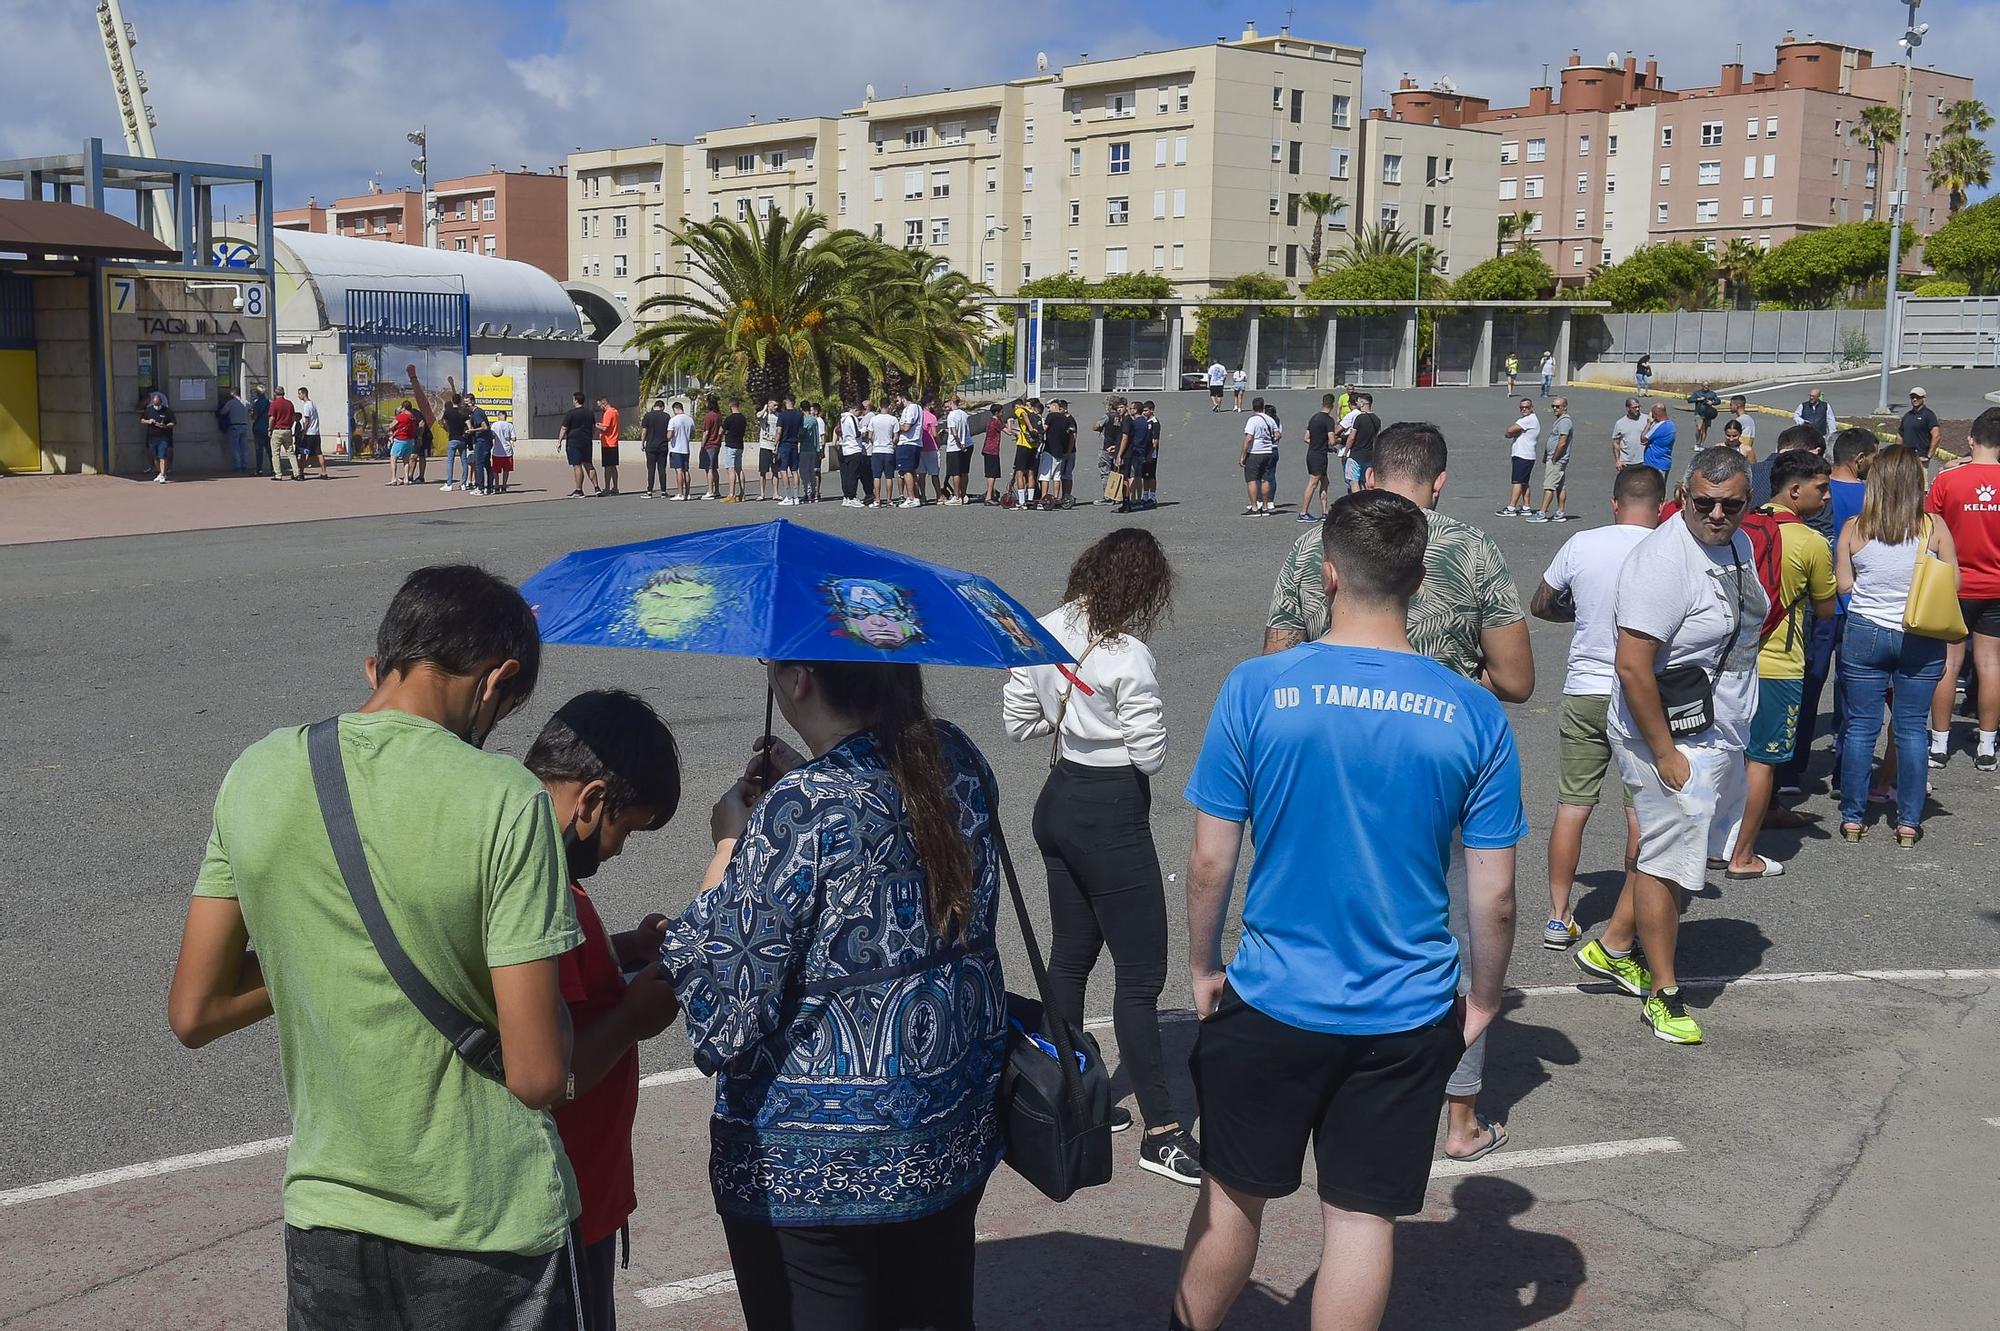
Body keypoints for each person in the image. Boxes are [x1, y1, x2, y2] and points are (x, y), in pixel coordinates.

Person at [168, 565, 585, 1330]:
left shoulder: (256, 771)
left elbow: (196, 1008)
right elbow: (535, 1074)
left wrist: (320, 939)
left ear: (383, 662)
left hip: (329, 1215)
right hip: (488, 1219)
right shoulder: (504, 797)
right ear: (501, 678)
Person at [1175, 489, 1525, 1331]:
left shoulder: (1257, 687)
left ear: (1328, 574)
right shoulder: (1474, 711)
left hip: (1271, 992)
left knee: (1233, 1201)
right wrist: (1482, 997)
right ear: (1417, 580)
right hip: (1403, 1008)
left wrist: (1201, 965)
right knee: (1361, 1220)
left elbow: (1209, 858)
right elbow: (1496, 893)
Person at [658, 660, 1008, 1331]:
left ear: (800, 680)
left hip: (810, 1167)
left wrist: (728, 847)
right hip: (946, 1125)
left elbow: (728, 1007)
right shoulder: (955, 755)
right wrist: (809, 781)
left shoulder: (802, 809)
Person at [1263, 422, 1532, 1160]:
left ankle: (1317, 1074)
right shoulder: (1473, 549)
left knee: (1320, 916)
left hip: (1323, 767)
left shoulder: (1314, 545)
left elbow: (1276, 657)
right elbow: (1516, 678)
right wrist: (1448, 684)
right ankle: (1459, 1117)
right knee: (1459, 926)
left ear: (1369, 473)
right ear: (1437, 481)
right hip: (1436, 767)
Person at [1002, 529, 1198, 1184]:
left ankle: (1074, 1092)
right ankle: (1163, 1130)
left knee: (1071, 955)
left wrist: (1070, 707)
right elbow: (1150, 755)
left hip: (1057, 800)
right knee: (1140, 976)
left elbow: (1020, 720)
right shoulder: (1128, 652)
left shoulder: (1044, 626)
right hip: (1110, 809)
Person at [1574, 447, 1768, 1047]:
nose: (1716, 514)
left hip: (1710, 724)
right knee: (1671, 864)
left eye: (1731, 504)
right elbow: (1633, 669)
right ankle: (1663, 991)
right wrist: (1666, 755)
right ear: (1681, 496)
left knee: (1674, 849)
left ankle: (1610, 948)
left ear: (1747, 502)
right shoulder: (1663, 561)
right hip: (1659, 733)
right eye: (1703, 502)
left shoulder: (1736, 544)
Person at [524, 691, 684, 1331]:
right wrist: (631, 1020)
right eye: (626, 829)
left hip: (580, 1195)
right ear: (590, 800)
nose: (617, 849)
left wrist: (621, 949)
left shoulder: (526, 870)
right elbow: (553, 1073)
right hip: (565, 1203)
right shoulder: (544, 893)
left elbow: (563, 974)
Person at [1530, 464, 1663, 950]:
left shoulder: (1582, 543)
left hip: (1585, 687)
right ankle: (1630, 913)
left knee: (1572, 806)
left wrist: (1581, 614)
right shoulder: (1667, 546)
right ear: (1661, 504)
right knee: (1640, 811)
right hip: (1642, 692)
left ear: (1614, 502)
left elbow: (1541, 603)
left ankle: (1558, 915)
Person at [1721, 450, 1837, 880]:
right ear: (1794, 490)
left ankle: (1715, 844)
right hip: (1778, 664)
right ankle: (1744, 854)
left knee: (1723, 756)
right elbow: (1826, 610)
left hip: (1729, 662)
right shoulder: (1810, 542)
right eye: (1820, 488)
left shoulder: (1741, 528)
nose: (1826, 497)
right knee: (1762, 762)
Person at [1837, 446, 1959, 846]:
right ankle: (1907, 821)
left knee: (1860, 727)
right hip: (1920, 634)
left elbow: (1844, 586)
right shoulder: (1933, 527)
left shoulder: (1855, 528)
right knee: (1910, 728)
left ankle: (1853, 818)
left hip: (1865, 630)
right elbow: (1953, 584)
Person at [1928, 408, 2000, 772]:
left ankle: (1939, 743)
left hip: (1953, 585)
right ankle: (1987, 745)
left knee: (1949, 663)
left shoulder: (1948, 480)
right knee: (1990, 663)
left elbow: (1928, 532)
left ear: (1971, 439)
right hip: (1997, 587)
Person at [1528, 395, 1575, 523]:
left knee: (1549, 486)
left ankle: (1542, 513)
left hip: (1558, 459)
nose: (1554, 408)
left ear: (1565, 407)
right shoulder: (1560, 420)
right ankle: (1560, 512)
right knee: (1560, 486)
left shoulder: (1565, 422)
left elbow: (1562, 442)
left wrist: (1554, 458)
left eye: (1557, 406)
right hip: (1556, 458)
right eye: (1553, 406)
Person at [1499, 397, 1540, 516]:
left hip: (1523, 455)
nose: (1524, 409)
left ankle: (1511, 507)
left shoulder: (1529, 420)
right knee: (1524, 482)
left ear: (1532, 408)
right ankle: (1526, 507)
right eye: (1522, 408)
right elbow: (1511, 432)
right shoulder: (1528, 420)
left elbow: (1510, 430)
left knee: (1517, 481)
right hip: (1527, 455)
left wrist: (1510, 433)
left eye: (1527, 407)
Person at [1239, 397, 1280, 516]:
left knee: (1251, 480)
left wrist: (1243, 454)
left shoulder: (1253, 420)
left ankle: (1254, 507)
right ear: (1263, 406)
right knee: (1265, 479)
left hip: (1255, 452)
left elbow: (1249, 438)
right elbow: (1277, 434)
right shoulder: (1269, 419)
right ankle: (1266, 506)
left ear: (1253, 407)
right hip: (1268, 451)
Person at [1300, 393, 1337, 522]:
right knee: (1313, 483)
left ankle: (1324, 512)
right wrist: (1338, 441)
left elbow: (1306, 438)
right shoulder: (1328, 420)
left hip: (1312, 453)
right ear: (1332, 405)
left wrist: (1319, 442)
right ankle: (1303, 512)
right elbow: (1332, 440)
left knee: (1325, 482)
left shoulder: (1314, 418)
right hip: (1319, 456)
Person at [562, 392, 601, 498]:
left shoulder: (571, 413)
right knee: (588, 464)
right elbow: (593, 427)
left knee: (577, 465)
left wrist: (559, 441)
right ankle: (597, 488)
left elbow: (564, 427)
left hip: (574, 442)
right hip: (587, 441)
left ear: (576, 400)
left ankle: (579, 490)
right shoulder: (589, 412)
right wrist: (590, 437)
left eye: (573, 399)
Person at [1008, 396, 1043, 510]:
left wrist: (1030, 428)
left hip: (1023, 444)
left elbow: (1023, 415)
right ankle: (1031, 500)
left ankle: (1022, 502)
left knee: (1020, 472)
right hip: (1033, 445)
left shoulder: (1020, 410)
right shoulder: (1034, 412)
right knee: (1031, 472)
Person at [1343, 392, 1380, 499]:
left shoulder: (1359, 418)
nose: (1357, 403)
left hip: (1356, 454)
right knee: (1366, 482)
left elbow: (1351, 437)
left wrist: (1346, 451)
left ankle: (1357, 505)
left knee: (1354, 482)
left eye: (1358, 401)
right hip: (1369, 455)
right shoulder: (1376, 419)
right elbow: (1376, 438)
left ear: (1363, 403)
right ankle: (1370, 503)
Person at [1043, 397, 1078, 509]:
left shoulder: (1069, 419)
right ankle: (1061, 497)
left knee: (1065, 475)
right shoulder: (1063, 418)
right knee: (1059, 475)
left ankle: (1066, 496)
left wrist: (1068, 451)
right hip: (1063, 450)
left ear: (1063, 408)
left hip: (1068, 451)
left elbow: (1073, 437)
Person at [836, 400, 871, 506]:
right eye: (859, 412)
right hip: (853, 449)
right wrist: (864, 430)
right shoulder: (852, 418)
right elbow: (856, 434)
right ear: (856, 410)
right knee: (853, 474)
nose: (859, 415)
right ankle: (852, 497)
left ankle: (846, 496)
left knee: (845, 475)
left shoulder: (842, 418)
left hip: (844, 447)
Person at [1899, 386, 1940, 472]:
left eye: (1917, 397)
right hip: (1906, 458)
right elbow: (1900, 435)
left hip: (1921, 458)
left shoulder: (1929, 415)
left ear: (1923, 399)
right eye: (1912, 397)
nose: (1914, 399)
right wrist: (1898, 454)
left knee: (1920, 484)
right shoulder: (1907, 416)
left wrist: (1929, 456)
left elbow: (1936, 436)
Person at [868, 398, 899, 508]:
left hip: (877, 450)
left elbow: (870, 436)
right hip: (889, 450)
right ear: (889, 406)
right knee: (889, 476)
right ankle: (889, 500)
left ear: (880, 406)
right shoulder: (893, 420)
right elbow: (895, 437)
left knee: (876, 476)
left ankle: (877, 500)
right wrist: (891, 443)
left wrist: (875, 442)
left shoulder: (874, 419)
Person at [776, 395, 805, 506]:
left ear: (786, 401)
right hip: (794, 444)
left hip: (784, 444)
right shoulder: (799, 415)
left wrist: (775, 444)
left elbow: (779, 431)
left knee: (783, 470)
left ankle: (788, 497)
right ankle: (796, 497)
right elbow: (801, 431)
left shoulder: (782, 415)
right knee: (794, 471)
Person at [640, 398, 672, 497]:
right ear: (662, 407)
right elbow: (669, 431)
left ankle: (649, 491)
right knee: (662, 469)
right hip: (663, 445)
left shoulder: (648, 416)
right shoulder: (667, 416)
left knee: (651, 469)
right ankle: (663, 491)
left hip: (650, 445)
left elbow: (644, 431)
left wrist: (642, 443)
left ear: (654, 406)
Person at [719, 397, 749, 502]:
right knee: (739, 469)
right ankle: (742, 493)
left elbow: (720, 431)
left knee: (730, 469)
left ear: (730, 405)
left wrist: (725, 433)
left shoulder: (729, 419)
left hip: (730, 445)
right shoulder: (743, 418)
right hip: (740, 445)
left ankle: (731, 494)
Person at [942, 394, 971, 504]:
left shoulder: (951, 416)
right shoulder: (964, 414)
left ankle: (957, 496)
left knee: (955, 472)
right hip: (968, 444)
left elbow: (955, 432)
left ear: (951, 403)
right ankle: (963, 495)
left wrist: (960, 443)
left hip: (955, 447)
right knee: (964, 471)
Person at [440, 393, 472, 491]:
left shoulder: (448, 412)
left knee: (450, 461)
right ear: (460, 401)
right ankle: (463, 483)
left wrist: (448, 429)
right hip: (462, 439)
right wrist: (466, 432)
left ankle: (449, 484)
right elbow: (469, 426)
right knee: (464, 462)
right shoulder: (464, 412)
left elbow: (443, 423)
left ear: (452, 401)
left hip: (452, 438)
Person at [294, 387, 328, 481]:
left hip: (309, 433)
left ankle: (300, 473)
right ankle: (324, 472)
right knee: (319, 452)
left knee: (303, 453)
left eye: (299, 394)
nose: (298, 396)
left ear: (304, 394)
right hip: (316, 432)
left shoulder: (306, 405)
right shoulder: (313, 404)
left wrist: (303, 432)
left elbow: (307, 420)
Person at [667, 399, 695, 500]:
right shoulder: (690, 419)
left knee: (679, 470)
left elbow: (669, 436)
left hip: (676, 448)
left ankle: (680, 493)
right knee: (686, 470)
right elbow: (692, 435)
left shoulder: (673, 420)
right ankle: (687, 493)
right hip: (686, 448)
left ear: (675, 409)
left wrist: (668, 436)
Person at [267, 387, 297, 482]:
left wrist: (270, 429)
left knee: (275, 454)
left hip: (277, 429)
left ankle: (278, 475)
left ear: (275, 394)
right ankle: (296, 473)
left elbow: (272, 418)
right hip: (287, 429)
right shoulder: (289, 403)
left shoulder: (274, 404)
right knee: (291, 453)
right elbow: (293, 417)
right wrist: (290, 426)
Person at [1640, 401, 1678, 476]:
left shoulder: (1659, 426)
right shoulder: (1671, 425)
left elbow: (1643, 439)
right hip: (1664, 462)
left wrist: (1649, 423)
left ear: (1654, 415)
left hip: (1654, 465)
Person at [219, 386, 252, 473]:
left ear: (233, 393)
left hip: (234, 426)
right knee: (244, 448)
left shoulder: (231, 403)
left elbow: (223, 412)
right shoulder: (246, 402)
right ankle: (245, 465)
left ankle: (238, 466)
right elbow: (251, 412)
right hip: (244, 426)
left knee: (235, 448)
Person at [386, 399, 418, 485]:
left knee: (393, 458)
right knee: (406, 460)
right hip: (409, 440)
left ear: (404, 408)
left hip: (400, 439)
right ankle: (406, 478)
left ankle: (393, 478)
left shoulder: (401, 416)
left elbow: (391, 425)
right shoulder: (413, 417)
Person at [1611, 397, 1648, 471]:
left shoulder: (1647, 419)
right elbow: (1616, 443)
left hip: (1644, 461)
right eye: (1634, 407)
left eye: (1638, 407)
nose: (1637, 409)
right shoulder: (1620, 423)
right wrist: (1618, 461)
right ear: (1628, 408)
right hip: (1626, 463)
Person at [464, 399, 492, 495]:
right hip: (485, 441)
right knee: (487, 464)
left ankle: (480, 488)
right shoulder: (477, 413)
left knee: (478, 464)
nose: (466, 408)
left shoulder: (477, 413)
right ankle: (489, 487)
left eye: (466, 405)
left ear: (471, 404)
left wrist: (472, 430)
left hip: (482, 442)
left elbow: (484, 427)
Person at [799, 400, 824, 503]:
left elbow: (802, 433)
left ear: (801, 409)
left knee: (804, 472)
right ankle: (813, 491)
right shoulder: (814, 420)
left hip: (805, 449)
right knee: (812, 472)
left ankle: (808, 492)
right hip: (814, 449)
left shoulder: (805, 420)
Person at [597, 396, 623, 496]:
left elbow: (605, 428)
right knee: (613, 466)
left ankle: (607, 488)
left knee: (608, 467)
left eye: (600, 406)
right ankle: (615, 487)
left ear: (604, 403)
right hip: (614, 442)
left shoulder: (608, 413)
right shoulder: (615, 411)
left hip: (608, 443)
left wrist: (596, 425)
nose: (600, 408)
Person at [699, 394, 723, 500]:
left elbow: (706, 432)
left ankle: (710, 491)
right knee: (714, 468)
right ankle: (716, 490)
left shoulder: (709, 416)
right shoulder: (718, 415)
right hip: (717, 443)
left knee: (709, 468)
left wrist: (702, 444)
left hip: (710, 444)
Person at [757, 398, 780, 502]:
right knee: (763, 471)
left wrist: (777, 446)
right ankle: (762, 494)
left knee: (775, 471)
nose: (776, 407)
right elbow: (758, 416)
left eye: (777, 405)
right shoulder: (764, 415)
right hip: (764, 446)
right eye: (774, 405)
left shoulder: (778, 416)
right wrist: (765, 408)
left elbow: (780, 432)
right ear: (769, 405)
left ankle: (775, 493)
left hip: (773, 446)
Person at [981, 403, 1004, 504]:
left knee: (990, 473)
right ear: (997, 412)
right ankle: (989, 497)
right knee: (992, 474)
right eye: (1001, 411)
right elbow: (1007, 430)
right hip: (992, 450)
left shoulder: (990, 420)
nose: (1003, 413)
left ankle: (991, 493)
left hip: (987, 449)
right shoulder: (996, 422)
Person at [489, 412, 517, 493]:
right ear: (506, 417)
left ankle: (497, 486)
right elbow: (514, 438)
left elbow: (492, 436)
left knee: (496, 470)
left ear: (499, 416)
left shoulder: (494, 425)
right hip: (507, 451)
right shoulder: (509, 425)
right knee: (506, 470)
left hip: (497, 451)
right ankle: (504, 486)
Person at [249, 384, 272, 475]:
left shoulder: (257, 403)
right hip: (267, 427)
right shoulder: (269, 402)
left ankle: (259, 469)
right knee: (269, 449)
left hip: (258, 428)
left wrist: (251, 414)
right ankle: (273, 468)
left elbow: (255, 416)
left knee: (259, 450)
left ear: (258, 393)